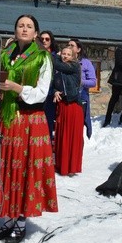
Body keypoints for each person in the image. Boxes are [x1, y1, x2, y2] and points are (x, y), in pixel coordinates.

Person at [0, 15, 58, 243]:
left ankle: (21, 221)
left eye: (29, 26)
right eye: (20, 25)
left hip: (30, 120)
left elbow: (42, 92)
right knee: (5, 169)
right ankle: (8, 218)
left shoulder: (43, 57)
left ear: (36, 34)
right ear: (14, 30)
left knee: (24, 172)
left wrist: (18, 88)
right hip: (5, 118)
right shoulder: (4, 55)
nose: (24, 29)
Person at [52, 46, 84, 176]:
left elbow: (58, 65)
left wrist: (53, 56)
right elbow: (54, 84)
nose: (65, 56)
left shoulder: (74, 66)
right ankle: (61, 165)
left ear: (73, 57)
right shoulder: (58, 71)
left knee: (72, 137)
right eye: (63, 54)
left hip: (73, 107)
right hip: (63, 106)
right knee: (62, 135)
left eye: (68, 54)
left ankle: (71, 167)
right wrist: (55, 92)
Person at [102, 35, 122, 127]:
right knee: (114, 98)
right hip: (119, 78)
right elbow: (120, 63)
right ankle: (107, 119)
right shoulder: (120, 49)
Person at [68, 39, 97, 139]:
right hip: (66, 98)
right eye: (68, 45)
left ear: (78, 49)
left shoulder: (86, 63)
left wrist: (81, 82)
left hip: (81, 97)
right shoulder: (64, 61)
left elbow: (93, 82)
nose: (69, 47)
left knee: (77, 128)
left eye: (72, 45)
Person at [40, 31, 59, 141]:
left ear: (51, 41)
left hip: (50, 93)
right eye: (42, 38)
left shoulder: (55, 57)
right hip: (37, 92)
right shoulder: (34, 54)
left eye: (47, 39)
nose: (44, 41)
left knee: (48, 121)